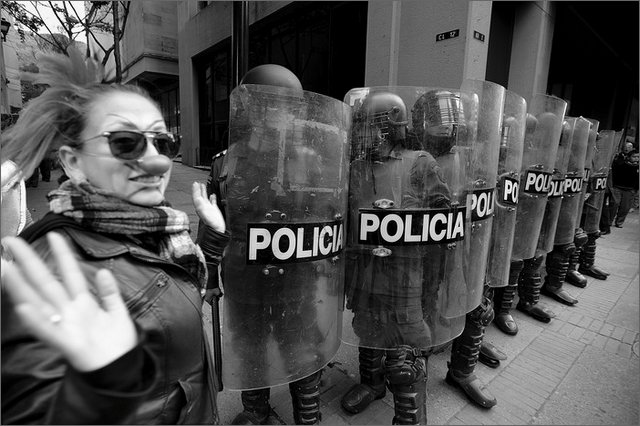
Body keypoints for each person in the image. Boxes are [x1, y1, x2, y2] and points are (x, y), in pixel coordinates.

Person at [1, 47, 229, 424]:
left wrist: (213, 238)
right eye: (125, 142)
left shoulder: (156, 229)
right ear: (73, 162)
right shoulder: (54, 272)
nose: (155, 160)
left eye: (162, 142)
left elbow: (170, 301)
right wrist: (97, 391)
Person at [214, 64, 347, 425]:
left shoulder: (310, 159)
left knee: (300, 345)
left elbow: (329, 216)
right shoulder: (227, 161)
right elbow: (211, 222)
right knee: (248, 345)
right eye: (271, 106)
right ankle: (255, 411)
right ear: (252, 109)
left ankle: (308, 415)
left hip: (296, 277)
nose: (280, 116)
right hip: (244, 275)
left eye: (287, 108)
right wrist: (211, 276)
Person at [609, 149, 639, 228]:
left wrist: (635, 190)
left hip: (630, 190)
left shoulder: (638, 168)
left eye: (638, 157)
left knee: (625, 208)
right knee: (614, 204)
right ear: (629, 157)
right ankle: (609, 221)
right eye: (634, 157)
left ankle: (619, 222)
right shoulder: (621, 164)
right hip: (618, 188)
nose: (636, 158)